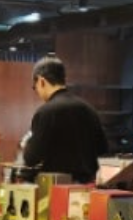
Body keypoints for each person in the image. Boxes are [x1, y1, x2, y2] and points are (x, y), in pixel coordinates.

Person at [22, 54, 108, 184]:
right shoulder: (88, 109)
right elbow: (103, 149)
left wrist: (26, 144)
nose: (37, 92)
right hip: (86, 186)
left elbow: (31, 158)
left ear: (41, 81)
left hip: (56, 187)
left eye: (35, 87)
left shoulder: (45, 112)